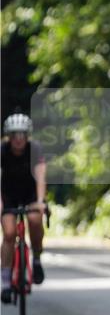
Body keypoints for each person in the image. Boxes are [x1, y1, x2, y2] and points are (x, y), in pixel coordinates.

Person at [1, 113, 47, 303]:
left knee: (35, 220)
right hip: (8, 195)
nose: (18, 139)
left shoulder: (34, 149)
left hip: (30, 194)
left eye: (22, 134)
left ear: (27, 135)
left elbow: (41, 177)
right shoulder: (2, 150)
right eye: (14, 135)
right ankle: (5, 280)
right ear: (8, 136)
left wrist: (40, 200)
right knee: (10, 233)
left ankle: (36, 258)